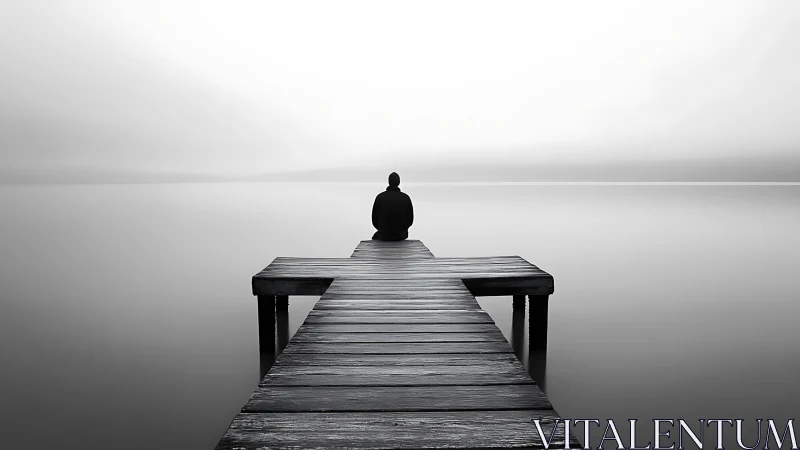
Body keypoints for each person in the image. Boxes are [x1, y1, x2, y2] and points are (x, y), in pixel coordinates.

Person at [371, 172, 413, 241]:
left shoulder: (380, 197)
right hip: (401, 235)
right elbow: (410, 220)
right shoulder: (406, 197)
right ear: (399, 182)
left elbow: (374, 220)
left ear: (389, 182)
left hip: (383, 235)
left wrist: (382, 229)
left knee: (375, 237)